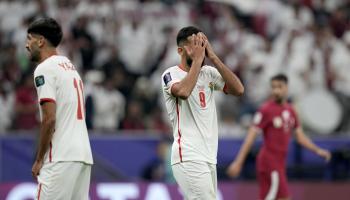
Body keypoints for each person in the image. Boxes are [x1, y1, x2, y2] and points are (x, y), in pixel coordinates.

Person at [161, 26, 244, 199]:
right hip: (189, 154)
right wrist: (198, 61)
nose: (200, 49)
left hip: (208, 157)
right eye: (194, 45)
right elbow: (183, 92)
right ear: (180, 50)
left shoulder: (209, 74)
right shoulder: (170, 74)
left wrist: (213, 56)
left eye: (202, 44)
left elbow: (238, 89)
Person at [227, 74, 331, 200]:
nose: (276, 91)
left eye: (279, 87)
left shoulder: (291, 110)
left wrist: (317, 150)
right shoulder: (265, 110)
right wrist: (238, 162)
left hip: (279, 165)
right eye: (273, 87)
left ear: (287, 88)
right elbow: (251, 136)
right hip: (269, 164)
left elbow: (299, 137)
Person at [26, 18, 93, 200]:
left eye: (29, 39)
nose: (26, 45)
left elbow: (49, 119)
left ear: (40, 41)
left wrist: (39, 159)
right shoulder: (70, 67)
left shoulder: (44, 69)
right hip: (83, 156)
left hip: (60, 156)